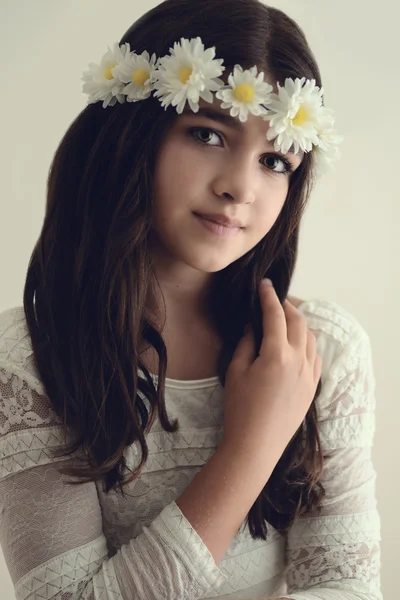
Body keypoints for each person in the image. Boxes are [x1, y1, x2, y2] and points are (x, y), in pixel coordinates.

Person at [0, 0, 382, 598]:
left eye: (275, 160)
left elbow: (344, 587)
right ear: (132, 135)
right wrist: (251, 448)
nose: (240, 187)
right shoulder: (30, 360)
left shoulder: (322, 353)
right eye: (207, 133)